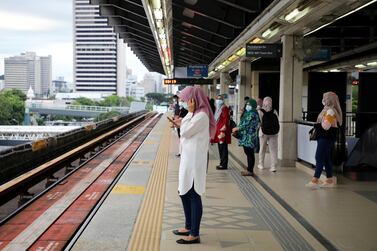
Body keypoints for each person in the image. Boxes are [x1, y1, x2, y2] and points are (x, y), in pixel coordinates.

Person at [173, 86, 216, 244]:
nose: (184, 102)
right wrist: (184, 121)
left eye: (186, 100)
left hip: (194, 161)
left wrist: (188, 114)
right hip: (188, 159)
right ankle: (188, 225)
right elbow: (185, 130)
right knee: (183, 192)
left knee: (193, 194)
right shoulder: (196, 115)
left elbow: (184, 132)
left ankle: (194, 233)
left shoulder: (201, 115)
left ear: (194, 99)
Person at [306, 92, 343, 189]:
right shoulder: (327, 110)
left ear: (329, 100)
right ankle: (329, 180)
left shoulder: (330, 111)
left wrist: (317, 125)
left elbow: (326, 126)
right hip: (324, 137)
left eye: (325, 98)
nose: (323, 100)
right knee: (326, 159)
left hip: (326, 137)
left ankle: (315, 180)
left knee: (319, 157)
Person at [232, 99, 260, 176]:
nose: (247, 106)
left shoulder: (253, 114)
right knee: (248, 153)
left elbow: (246, 124)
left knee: (249, 153)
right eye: (247, 105)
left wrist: (237, 128)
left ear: (253, 106)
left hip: (250, 137)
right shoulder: (249, 113)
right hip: (246, 137)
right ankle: (249, 169)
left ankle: (250, 170)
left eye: (249, 105)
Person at [258, 97, 279, 172]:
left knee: (262, 148)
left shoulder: (260, 111)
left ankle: (261, 164)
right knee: (273, 150)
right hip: (273, 133)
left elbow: (259, 123)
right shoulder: (274, 111)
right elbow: (277, 122)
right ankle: (273, 166)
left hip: (263, 133)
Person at [211, 95, 231, 170]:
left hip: (222, 132)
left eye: (220, 99)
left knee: (223, 148)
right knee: (220, 148)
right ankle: (221, 163)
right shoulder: (217, 109)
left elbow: (226, 119)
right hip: (218, 131)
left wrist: (223, 130)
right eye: (217, 99)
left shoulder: (224, 108)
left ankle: (224, 164)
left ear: (223, 100)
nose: (218, 100)